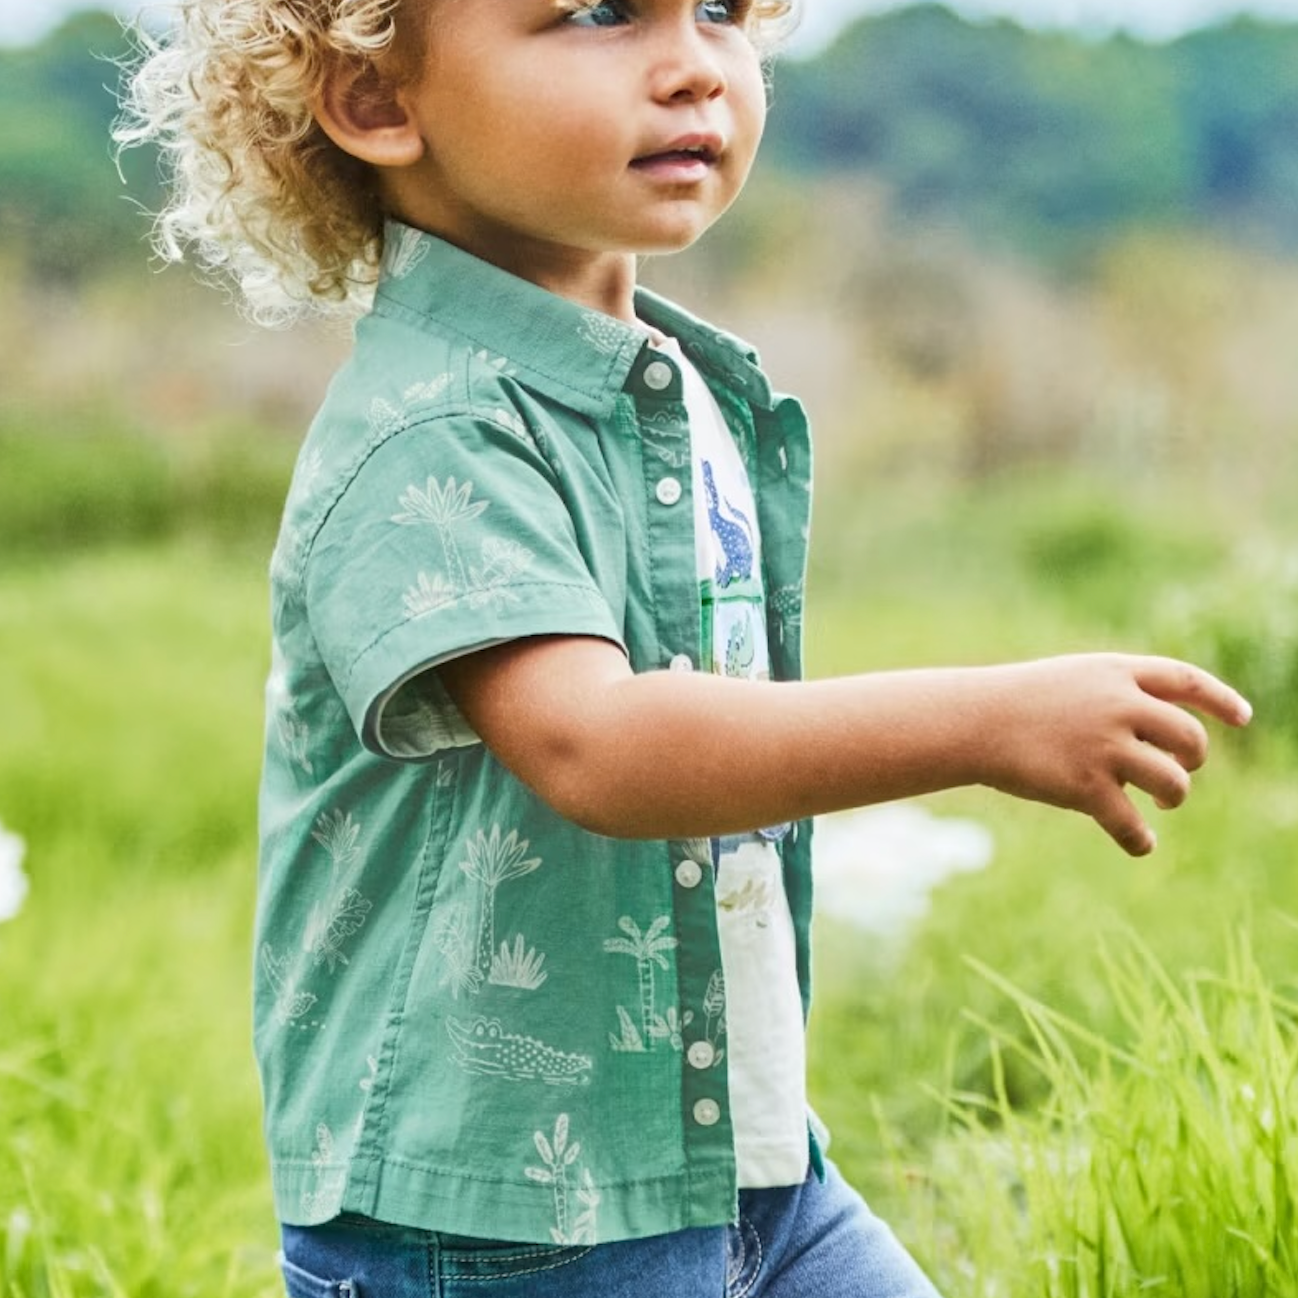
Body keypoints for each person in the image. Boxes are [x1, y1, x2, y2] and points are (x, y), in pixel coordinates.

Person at [117, 0, 1252, 1294]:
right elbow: (597, 745)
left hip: (736, 1162)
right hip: (494, 1223)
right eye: (599, 13)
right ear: (378, 98)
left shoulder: (672, 387)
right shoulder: (430, 426)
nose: (691, 68)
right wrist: (982, 723)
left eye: (716, 10)